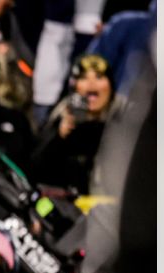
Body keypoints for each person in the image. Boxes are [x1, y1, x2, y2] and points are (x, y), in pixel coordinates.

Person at [30, 53, 115, 196]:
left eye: (99, 77)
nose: (91, 83)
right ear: (75, 86)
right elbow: (34, 170)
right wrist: (59, 137)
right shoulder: (61, 118)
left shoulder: (124, 125)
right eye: (83, 78)